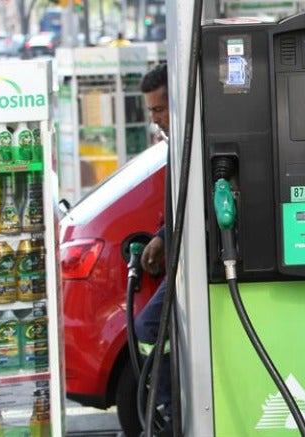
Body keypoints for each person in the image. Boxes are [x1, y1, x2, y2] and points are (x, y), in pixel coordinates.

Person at [134, 62, 171, 416]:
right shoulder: (179, 146)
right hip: (182, 258)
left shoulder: (195, 142)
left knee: (147, 328)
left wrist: (163, 238)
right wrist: (161, 237)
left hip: (196, 261)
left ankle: (171, 406)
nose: (155, 119)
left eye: (159, 109)